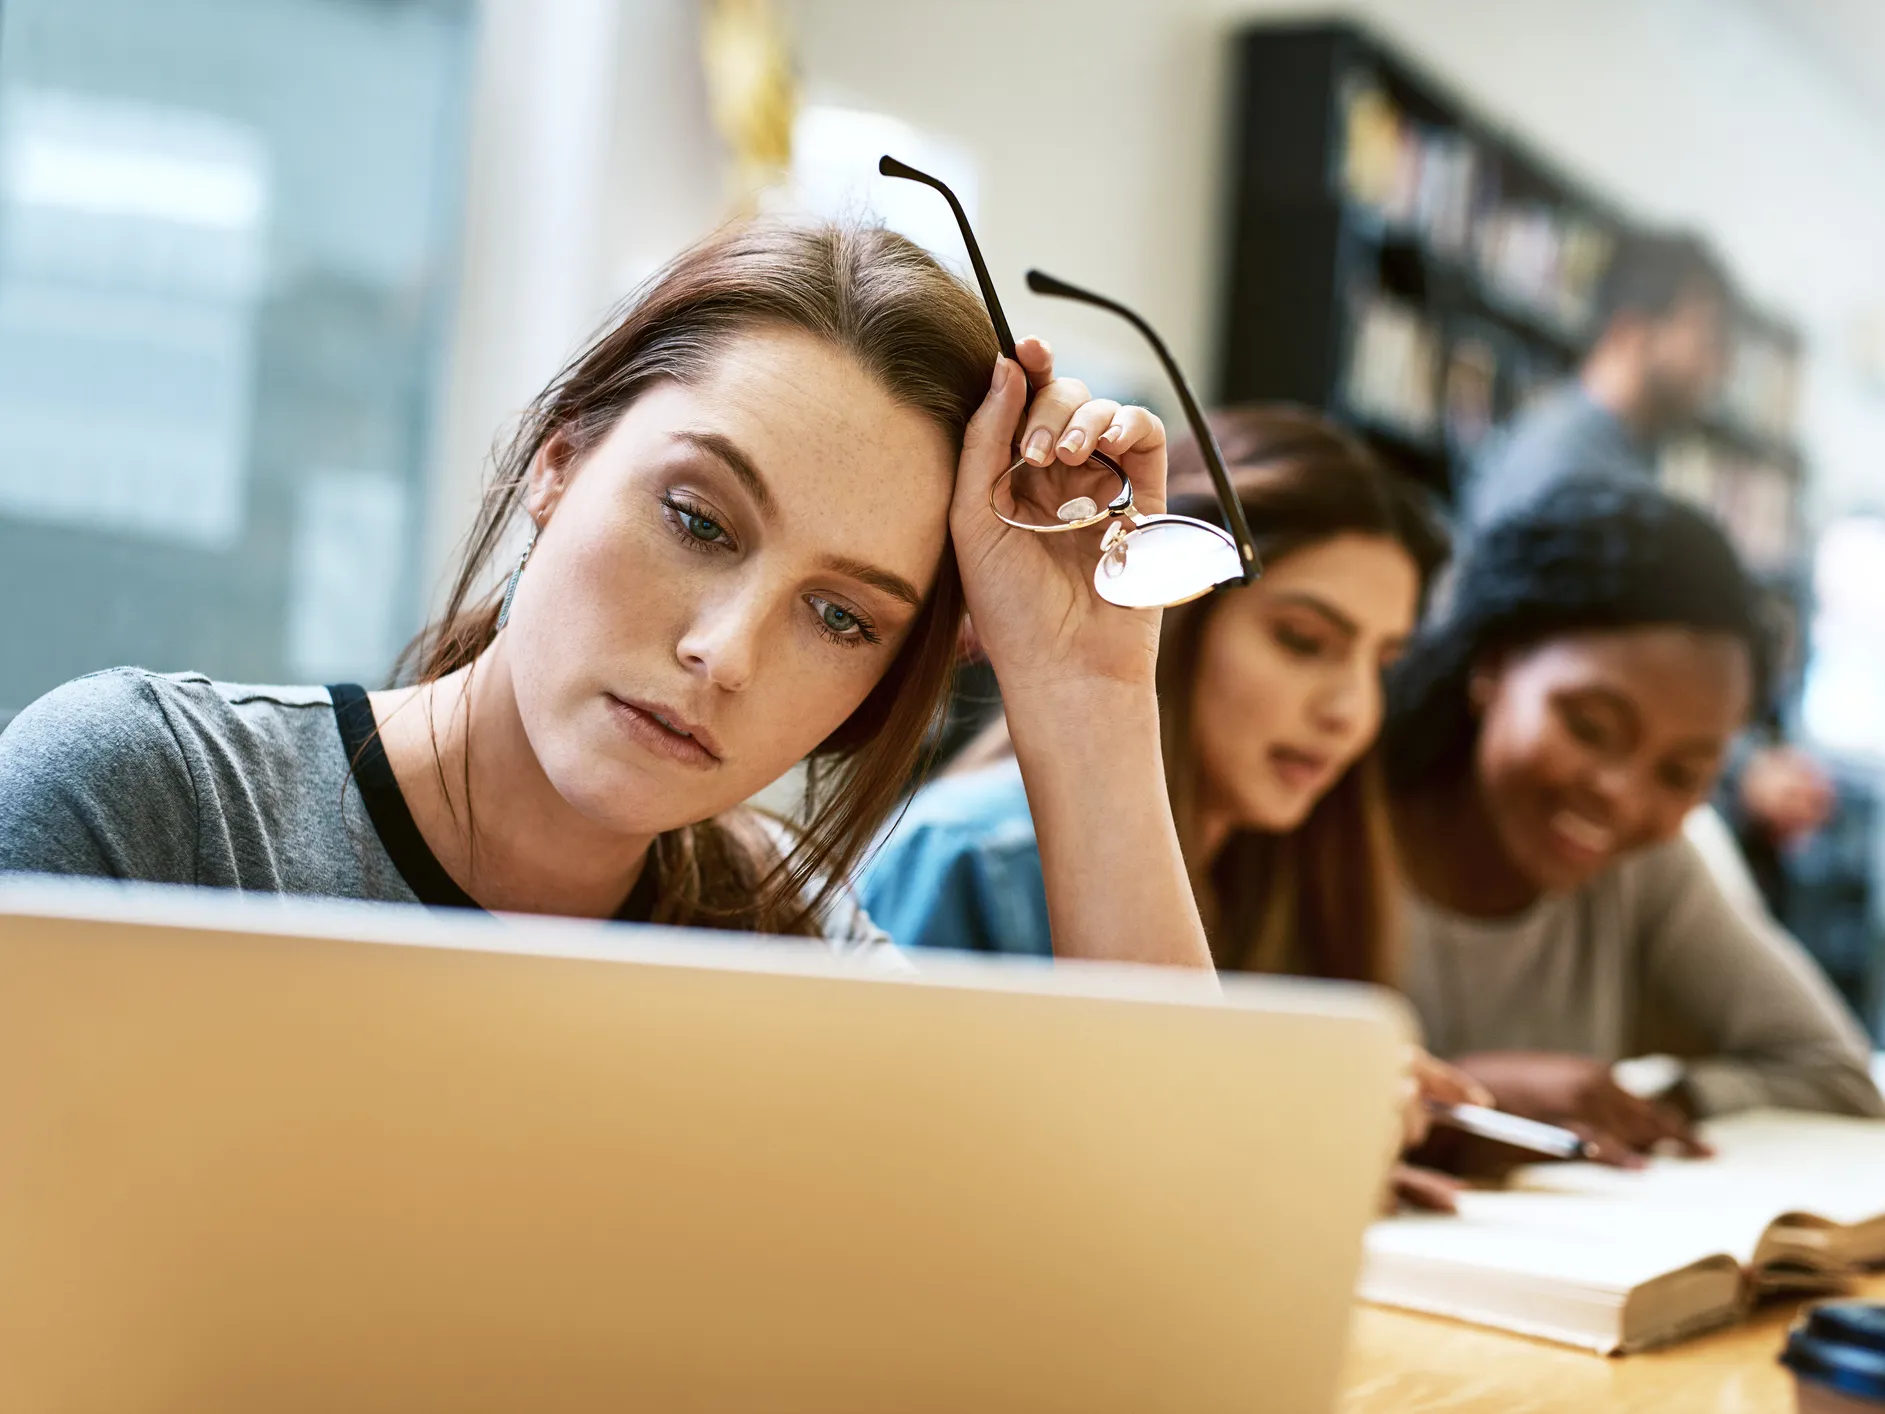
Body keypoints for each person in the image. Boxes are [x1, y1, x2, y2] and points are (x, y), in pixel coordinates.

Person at [0, 219, 1213, 972]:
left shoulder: (792, 953)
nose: (724, 653)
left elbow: (1182, 1261)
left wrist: (1089, 692)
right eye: (696, 520)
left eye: (842, 616)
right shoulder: (157, 814)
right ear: (561, 460)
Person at [859, 408, 1484, 1208]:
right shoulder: (967, 857)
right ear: (1171, 608)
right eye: (1302, 642)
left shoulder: (1282, 866)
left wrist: (1305, 1155)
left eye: (1381, 663)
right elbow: (913, 1191)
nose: (1351, 712)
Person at [1386, 478, 1882, 1165]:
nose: (1620, 796)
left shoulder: (1649, 868)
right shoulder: (1319, 816)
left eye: (1679, 774)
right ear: (1492, 666)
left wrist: (1646, 1106)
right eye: (1588, 727)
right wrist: (1453, 1107)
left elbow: (1834, 1074)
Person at [1464, 228, 1834, 853]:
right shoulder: (1569, 469)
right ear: (1635, 328)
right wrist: (1744, 773)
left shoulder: (1614, 462)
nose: (1719, 370)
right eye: (1709, 341)